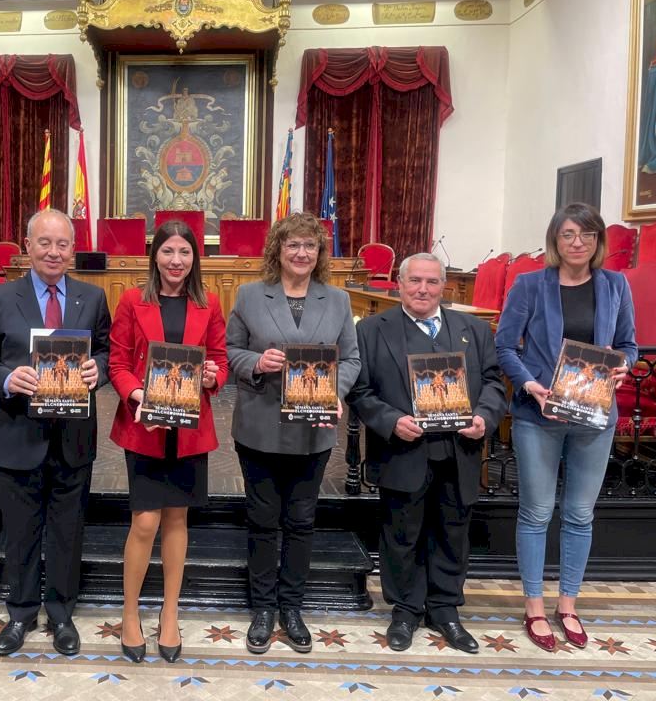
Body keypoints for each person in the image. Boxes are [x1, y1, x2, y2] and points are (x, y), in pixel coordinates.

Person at [0, 209, 111, 656]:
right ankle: (21, 612)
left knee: (68, 532)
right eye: (44, 243)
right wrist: (8, 379)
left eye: (62, 244)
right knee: (21, 532)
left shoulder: (92, 298)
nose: (53, 252)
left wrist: (98, 369)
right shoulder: (1, 297)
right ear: (28, 246)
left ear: (73, 250)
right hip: (18, 435)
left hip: (73, 439)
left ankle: (62, 614)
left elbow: (107, 351)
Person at [347, 253, 506, 654]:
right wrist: (390, 421)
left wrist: (485, 418)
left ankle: (445, 609)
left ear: (444, 287)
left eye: (432, 282)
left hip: (459, 450)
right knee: (401, 534)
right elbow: (359, 391)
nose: (423, 289)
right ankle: (405, 610)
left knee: (452, 532)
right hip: (402, 450)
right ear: (399, 284)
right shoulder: (371, 330)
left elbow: (493, 382)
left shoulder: (474, 330)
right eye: (414, 281)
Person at [494, 203, 636, 652]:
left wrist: (624, 366)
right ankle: (534, 607)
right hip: (540, 415)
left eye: (587, 235)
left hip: (594, 416)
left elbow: (628, 344)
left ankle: (568, 604)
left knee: (579, 514)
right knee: (537, 512)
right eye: (569, 234)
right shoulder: (529, 285)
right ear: (555, 239)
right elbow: (505, 346)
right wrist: (531, 386)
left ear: (598, 241)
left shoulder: (615, 285)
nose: (578, 243)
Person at [225, 212, 360, 654]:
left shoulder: (338, 300)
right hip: (260, 427)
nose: (301, 253)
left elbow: (352, 359)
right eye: (293, 245)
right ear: (277, 250)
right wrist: (255, 363)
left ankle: (292, 607)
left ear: (320, 253)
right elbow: (229, 350)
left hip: (313, 430)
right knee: (263, 520)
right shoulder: (249, 295)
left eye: (310, 246)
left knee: (301, 521)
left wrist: (334, 391)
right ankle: (264, 608)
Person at [108, 220, 229, 663]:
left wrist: (213, 377)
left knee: (177, 520)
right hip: (145, 425)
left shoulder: (209, 303)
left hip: (189, 428)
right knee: (145, 522)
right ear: (154, 256)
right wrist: (136, 394)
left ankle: (170, 611)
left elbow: (219, 360)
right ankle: (130, 611)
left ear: (195, 258)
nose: (176, 261)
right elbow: (118, 363)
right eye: (167, 251)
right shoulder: (131, 300)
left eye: (184, 252)